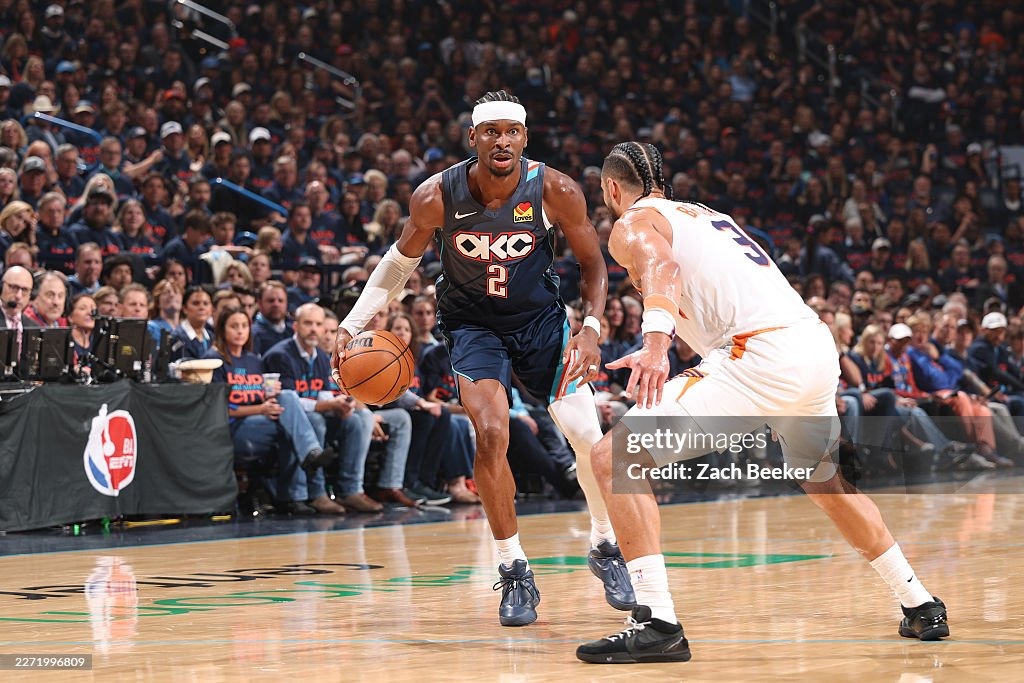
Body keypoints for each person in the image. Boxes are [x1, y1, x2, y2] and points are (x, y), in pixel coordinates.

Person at [575, 142, 947, 664]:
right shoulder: (709, 215)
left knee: (616, 457)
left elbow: (660, 268)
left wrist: (656, 342)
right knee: (825, 482)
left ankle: (656, 621)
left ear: (611, 189)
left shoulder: (633, 222)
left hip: (760, 353)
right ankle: (919, 602)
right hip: (813, 346)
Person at [332, 91, 633, 626]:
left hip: (542, 324)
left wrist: (590, 327)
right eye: (490, 132)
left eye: (511, 132)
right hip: (473, 326)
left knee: (589, 439)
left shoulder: (555, 189)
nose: (501, 141)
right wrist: (354, 322)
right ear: (472, 139)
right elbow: (399, 265)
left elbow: (594, 264)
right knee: (492, 433)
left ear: (524, 139)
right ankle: (513, 567)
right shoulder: (436, 196)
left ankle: (605, 544)